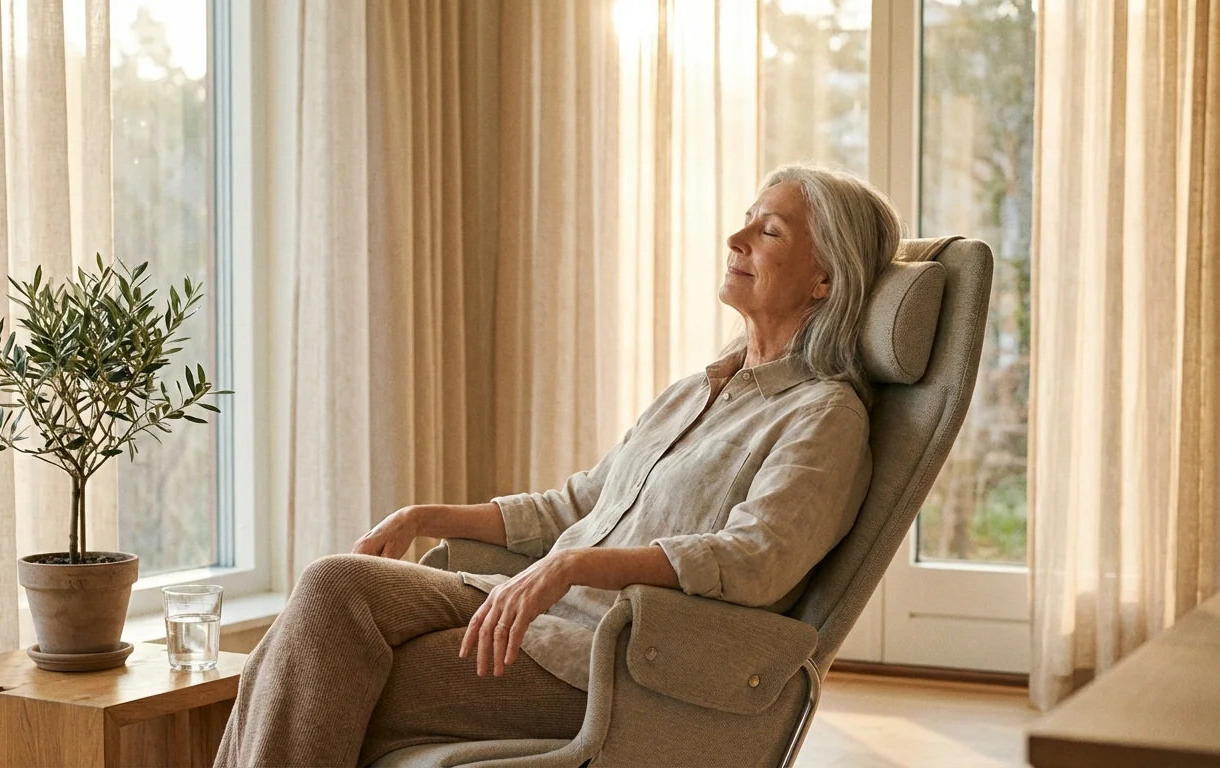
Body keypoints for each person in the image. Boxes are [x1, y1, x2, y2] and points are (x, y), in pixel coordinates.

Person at [214, 163, 902, 767]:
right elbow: (579, 505)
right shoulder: (698, 389)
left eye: (770, 231)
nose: (736, 239)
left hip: (607, 662)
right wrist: (426, 516)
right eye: (746, 221)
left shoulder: (824, 418)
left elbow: (754, 561)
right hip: (529, 607)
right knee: (332, 586)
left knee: (309, 676)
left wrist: (574, 566)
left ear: (825, 278)